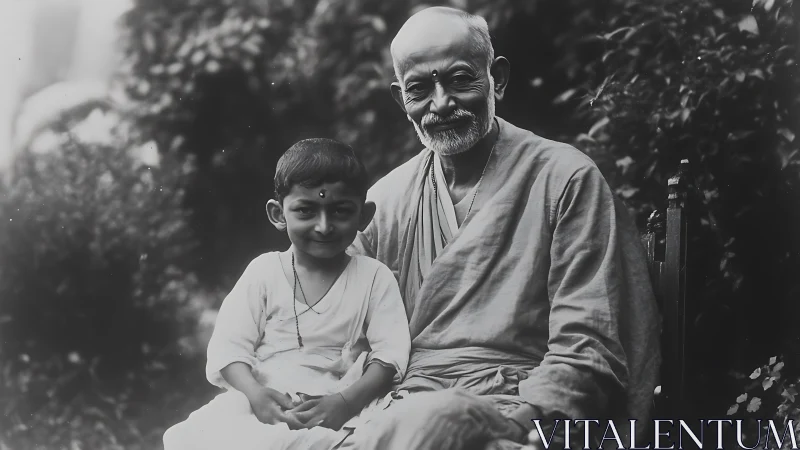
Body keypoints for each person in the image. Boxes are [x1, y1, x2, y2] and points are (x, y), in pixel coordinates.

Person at [335, 6, 662, 450]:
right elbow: (341, 337)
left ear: (498, 79)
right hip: (394, 404)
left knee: (425, 428)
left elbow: (587, 346)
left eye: (459, 79)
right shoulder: (384, 204)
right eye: (419, 89)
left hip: (517, 407)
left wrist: (514, 424)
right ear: (400, 100)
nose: (441, 103)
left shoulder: (564, 179)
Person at [163, 139, 411, 450]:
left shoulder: (374, 278)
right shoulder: (264, 272)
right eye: (306, 211)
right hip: (263, 400)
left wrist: (344, 403)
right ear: (278, 214)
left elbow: (390, 355)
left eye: (340, 211)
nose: (324, 226)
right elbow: (229, 349)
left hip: (332, 402)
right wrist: (255, 395)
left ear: (364, 215)